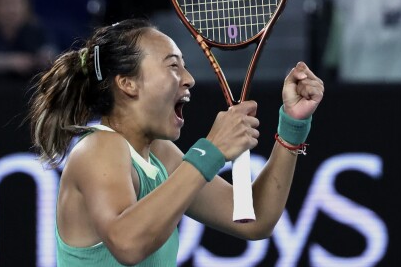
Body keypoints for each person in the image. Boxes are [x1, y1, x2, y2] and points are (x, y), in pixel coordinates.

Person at [27, 18, 324, 266]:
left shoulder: (158, 154)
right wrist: (212, 151)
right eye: (173, 66)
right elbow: (128, 243)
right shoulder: (98, 149)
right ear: (127, 83)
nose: (189, 78)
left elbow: (256, 219)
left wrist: (291, 127)